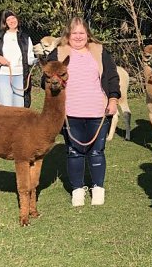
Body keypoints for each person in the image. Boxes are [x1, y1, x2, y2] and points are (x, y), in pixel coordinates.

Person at [47, 17, 119, 207]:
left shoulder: (99, 51)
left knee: (97, 152)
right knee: (74, 152)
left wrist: (113, 99)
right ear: (68, 35)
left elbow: (112, 77)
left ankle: (98, 188)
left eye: (81, 33)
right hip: (70, 112)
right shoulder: (59, 53)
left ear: (87, 34)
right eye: (74, 33)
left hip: (97, 110)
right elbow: (45, 79)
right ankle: (77, 189)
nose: (78, 37)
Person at [0, 9, 36, 108]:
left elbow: (29, 59)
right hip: (3, 76)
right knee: (6, 107)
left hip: (20, 76)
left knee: (19, 108)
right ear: (5, 23)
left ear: (17, 19)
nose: (12, 21)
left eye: (13, 18)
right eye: (8, 20)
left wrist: (38, 60)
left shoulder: (26, 38)